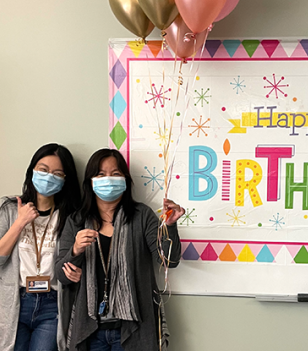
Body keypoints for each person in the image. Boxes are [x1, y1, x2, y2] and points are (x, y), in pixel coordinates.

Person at [56, 148, 184, 351]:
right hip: (91, 328)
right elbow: (61, 276)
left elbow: (169, 260)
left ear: (125, 179)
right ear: (90, 181)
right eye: (100, 174)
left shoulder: (142, 216)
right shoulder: (77, 220)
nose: (108, 179)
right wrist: (75, 250)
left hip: (133, 327)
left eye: (115, 174)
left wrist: (169, 227)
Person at [0, 143, 82, 351]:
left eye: (57, 173)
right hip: (14, 303)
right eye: (43, 170)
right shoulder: (9, 208)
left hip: (52, 304)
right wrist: (20, 223)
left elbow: (75, 261)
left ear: (65, 180)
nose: (49, 177)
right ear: (32, 171)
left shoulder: (71, 217)